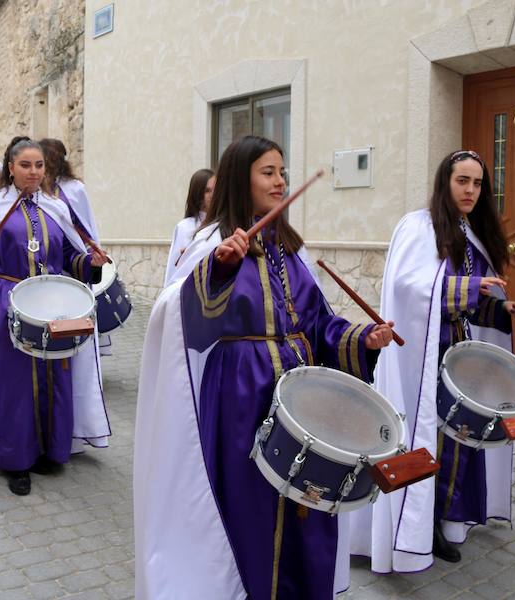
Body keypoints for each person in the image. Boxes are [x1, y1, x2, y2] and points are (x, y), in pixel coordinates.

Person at [134, 136, 395, 599]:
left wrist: (361, 338)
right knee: (254, 509)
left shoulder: (288, 248)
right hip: (241, 395)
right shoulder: (213, 244)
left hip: (305, 398)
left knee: (307, 503)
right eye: (268, 172)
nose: (280, 182)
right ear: (242, 178)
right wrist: (218, 270)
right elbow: (181, 324)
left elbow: (317, 322)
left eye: (282, 172)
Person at [349, 150, 515, 572]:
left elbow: (477, 300)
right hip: (422, 359)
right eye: (462, 181)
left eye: (477, 183)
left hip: (457, 359)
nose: (470, 190)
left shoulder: (471, 233)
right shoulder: (419, 226)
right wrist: (468, 288)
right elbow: (408, 287)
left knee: (456, 445)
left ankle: (443, 522)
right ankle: (414, 530)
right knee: (425, 442)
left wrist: (503, 309)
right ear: (444, 183)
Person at [0, 138, 111, 496]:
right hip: (3, 300)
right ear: (11, 168)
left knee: (54, 375)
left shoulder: (55, 208)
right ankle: (17, 461)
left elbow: (67, 255)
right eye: (26, 165)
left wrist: (88, 263)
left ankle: (50, 449)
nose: (34, 172)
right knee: (14, 384)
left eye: (39, 166)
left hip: (53, 303)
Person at [39, 138, 114, 355]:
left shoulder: (75, 189)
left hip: (74, 262)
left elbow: (87, 224)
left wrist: (91, 256)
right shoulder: (38, 191)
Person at [163, 168, 214, 286]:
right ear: (198, 194)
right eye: (207, 191)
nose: (213, 195)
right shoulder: (185, 227)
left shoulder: (223, 225)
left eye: (216, 190)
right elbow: (175, 270)